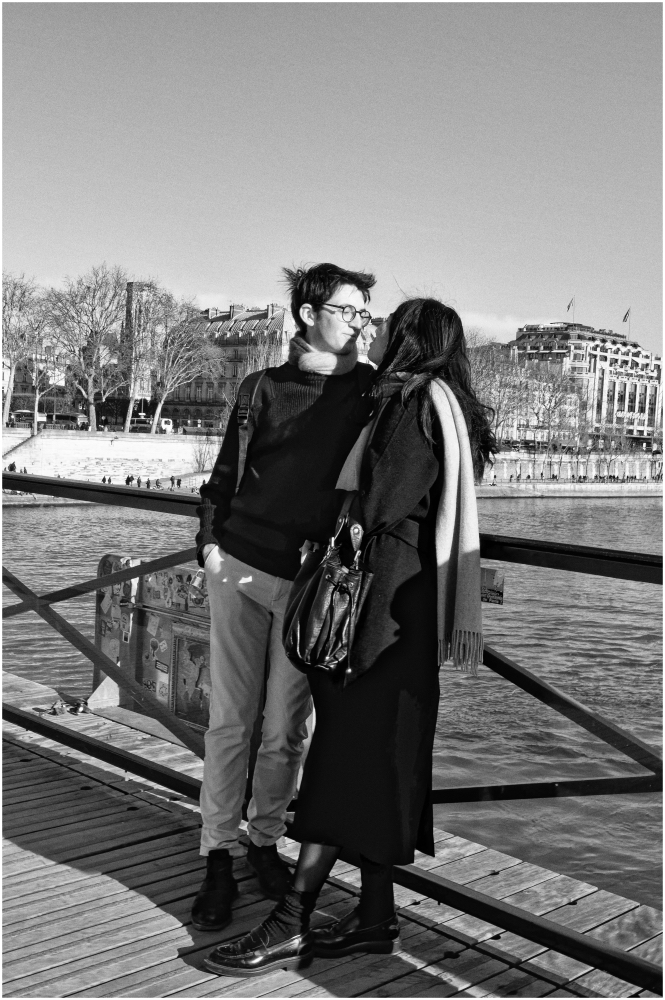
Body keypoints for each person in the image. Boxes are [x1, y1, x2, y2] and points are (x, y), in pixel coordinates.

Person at [204, 298, 496, 977]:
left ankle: (292, 919)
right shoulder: (447, 406)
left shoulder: (410, 404)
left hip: (374, 618)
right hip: (406, 612)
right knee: (374, 765)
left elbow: (380, 502)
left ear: (409, 339)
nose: (376, 334)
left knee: (341, 764)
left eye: (387, 327)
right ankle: (374, 917)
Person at [192, 263, 376, 933]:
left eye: (364, 313)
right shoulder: (261, 389)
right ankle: (217, 853)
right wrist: (209, 548)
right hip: (240, 567)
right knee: (230, 722)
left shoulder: (372, 393)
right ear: (307, 314)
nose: (359, 322)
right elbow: (222, 478)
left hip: (312, 587)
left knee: (286, 729)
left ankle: (263, 839)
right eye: (348, 310)